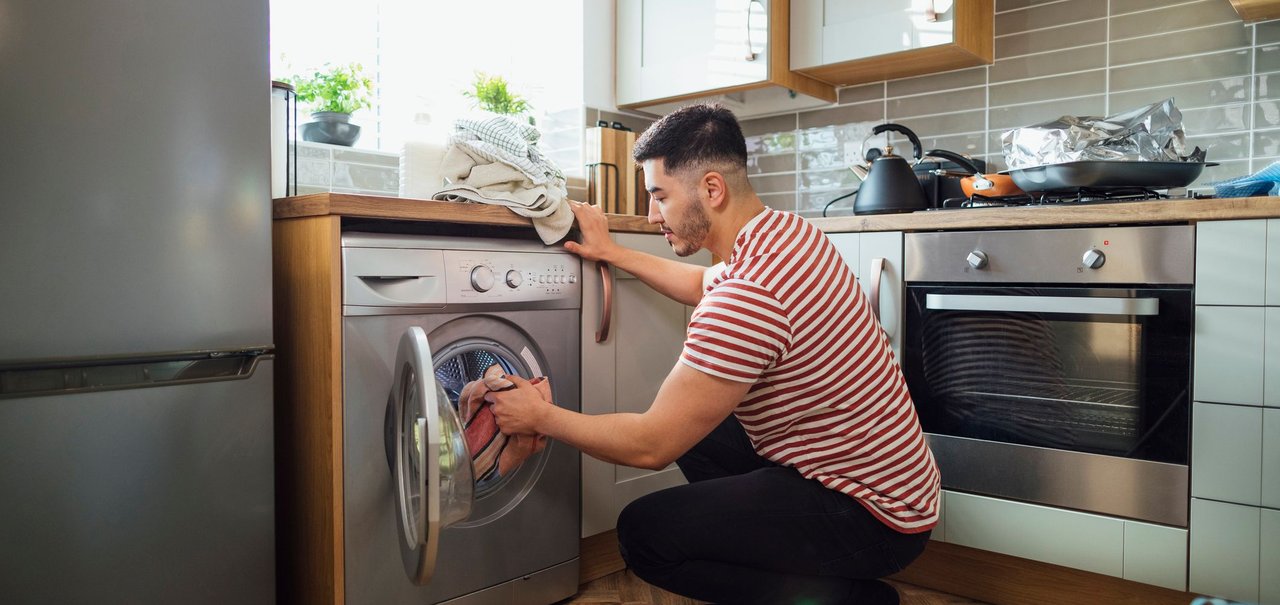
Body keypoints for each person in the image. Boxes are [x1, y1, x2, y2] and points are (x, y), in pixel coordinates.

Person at [485, 103, 940, 605]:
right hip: (896, 485)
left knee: (645, 534)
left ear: (712, 189)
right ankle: (796, 561)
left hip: (876, 517)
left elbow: (649, 446)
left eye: (659, 196)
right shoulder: (787, 236)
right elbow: (702, 281)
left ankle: (852, 601)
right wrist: (612, 252)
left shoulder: (750, 295)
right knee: (697, 430)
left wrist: (539, 415)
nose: (652, 215)